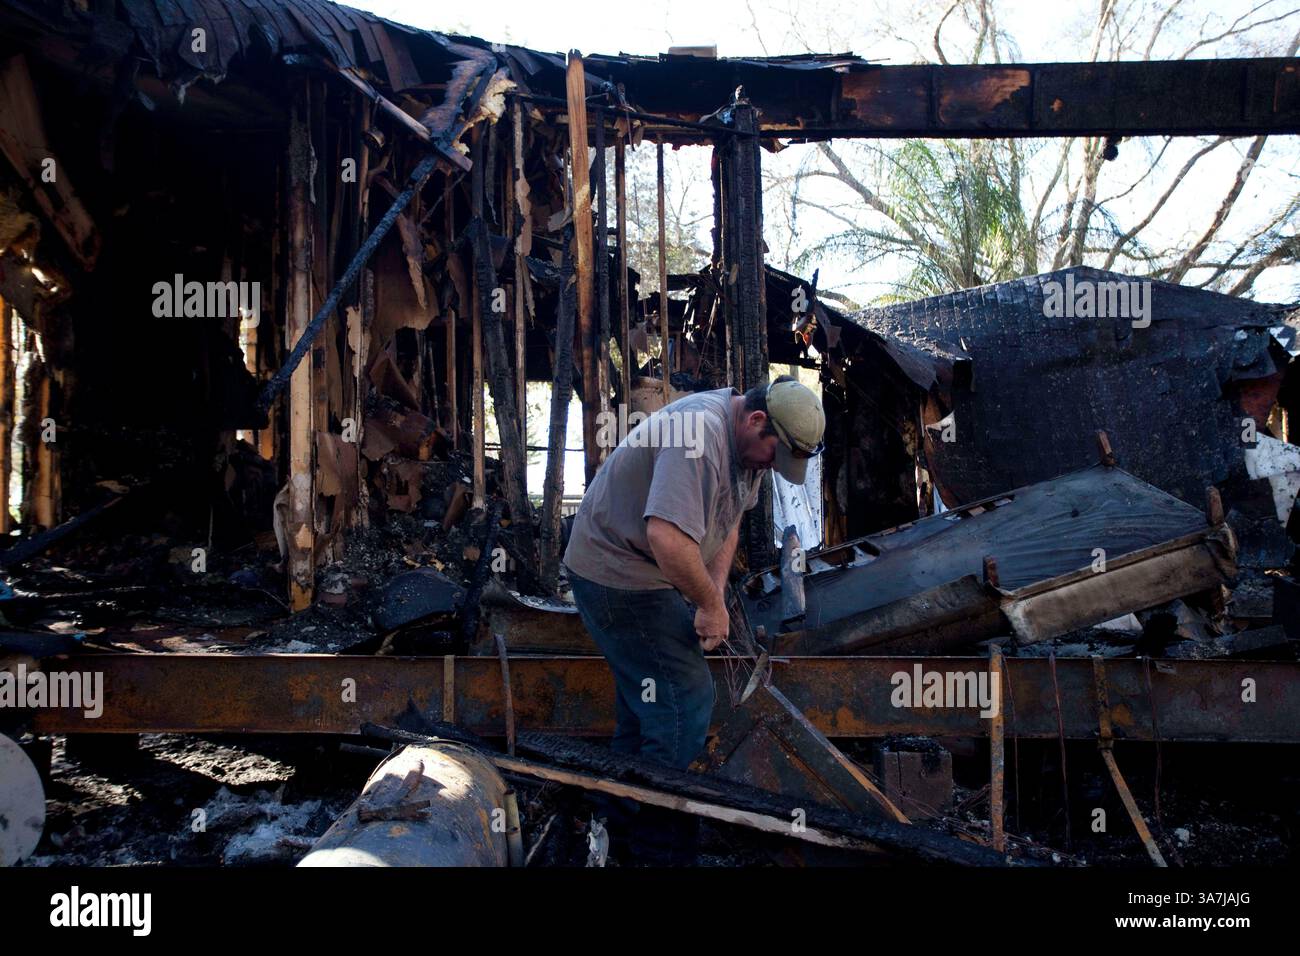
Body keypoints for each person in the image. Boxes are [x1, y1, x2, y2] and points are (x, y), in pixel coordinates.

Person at [562, 374, 826, 863]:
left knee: (647, 705)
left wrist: (716, 595)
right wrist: (706, 604)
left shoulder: (749, 449)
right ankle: (659, 848)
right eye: (774, 455)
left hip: (645, 569)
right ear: (756, 420)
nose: (772, 467)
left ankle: (611, 825)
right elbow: (666, 538)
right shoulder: (700, 437)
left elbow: (726, 522)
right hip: (617, 571)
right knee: (684, 701)